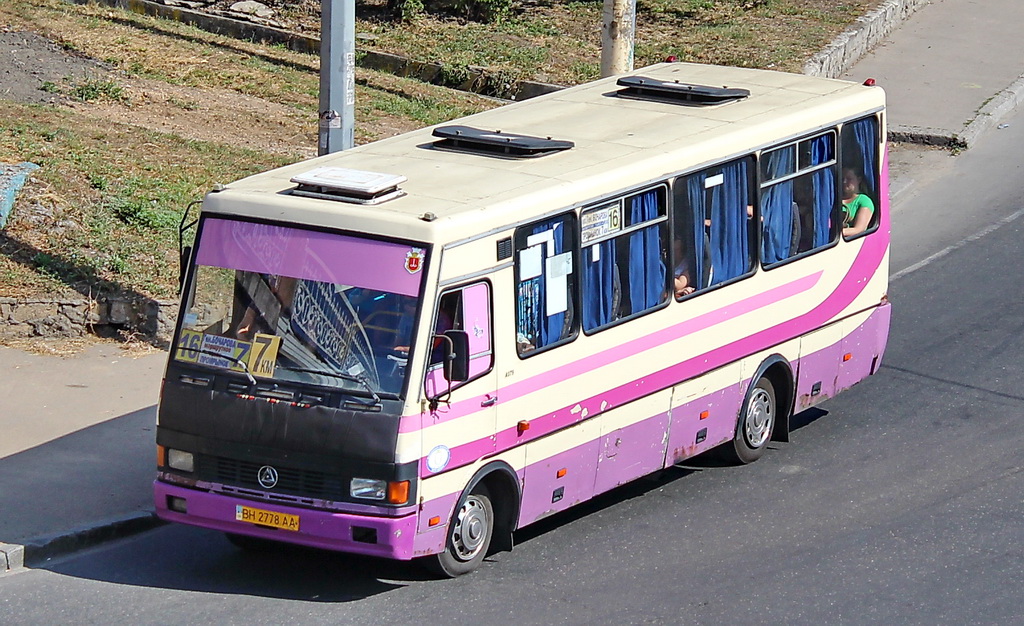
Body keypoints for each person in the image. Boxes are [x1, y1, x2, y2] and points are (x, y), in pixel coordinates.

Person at [841, 167, 874, 237]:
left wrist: (836, 233)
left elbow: (859, 229)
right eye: (842, 179)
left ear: (858, 180)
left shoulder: (864, 201)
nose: (844, 182)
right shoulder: (834, 198)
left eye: (849, 179)